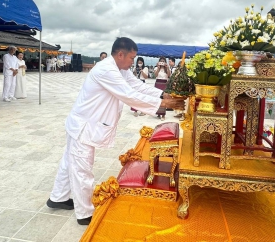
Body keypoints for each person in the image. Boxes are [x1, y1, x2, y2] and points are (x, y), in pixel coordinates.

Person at [47, 37, 184, 225]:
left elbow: (135, 85)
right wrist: (164, 104)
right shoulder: (106, 69)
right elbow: (128, 95)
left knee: (69, 162)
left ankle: (58, 197)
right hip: (83, 127)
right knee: (81, 169)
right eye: (131, 58)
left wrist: (162, 94)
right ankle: (84, 213)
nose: (132, 62)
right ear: (120, 54)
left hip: (82, 124)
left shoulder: (120, 69)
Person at [153, 56, 171, 120]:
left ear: (165, 62)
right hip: (158, 83)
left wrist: (168, 68)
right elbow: (155, 75)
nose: (162, 63)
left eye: (163, 61)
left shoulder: (167, 69)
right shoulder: (156, 68)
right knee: (157, 99)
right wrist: (158, 68)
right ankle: (158, 113)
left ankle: (163, 115)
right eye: (161, 61)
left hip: (164, 84)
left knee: (163, 99)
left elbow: (169, 75)